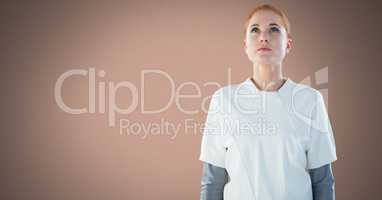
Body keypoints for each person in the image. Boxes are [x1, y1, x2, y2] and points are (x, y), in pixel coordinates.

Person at [199, 4, 337, 200]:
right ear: (245, 45)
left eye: (274, 29)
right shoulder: (223, 100)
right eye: (255, 30)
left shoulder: (310, 100)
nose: (263, 37)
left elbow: (322, 181)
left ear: (288, 44)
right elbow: (213, 181)